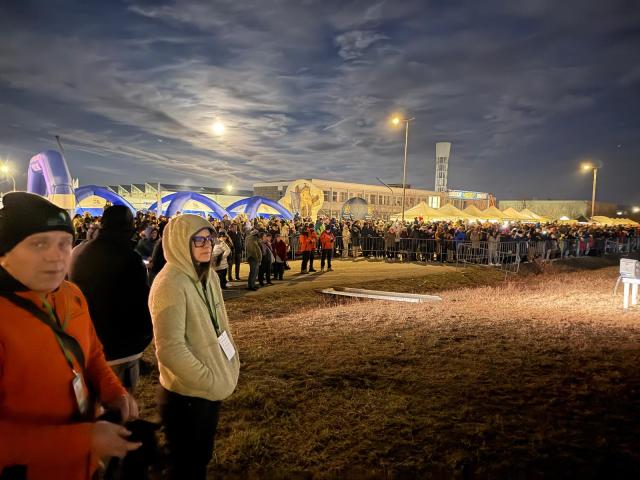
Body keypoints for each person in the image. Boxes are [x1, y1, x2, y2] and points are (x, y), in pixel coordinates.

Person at [0, 192, 141, 479]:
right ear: (5, 252)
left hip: (84, 465)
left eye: (64, 243)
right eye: (39, 243)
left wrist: (113, 390)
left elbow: (92, 354)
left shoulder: (71, 294)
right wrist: (83, 440)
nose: (56, 256)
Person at [149, 214, 239, 480]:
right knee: (185, 467)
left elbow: (221, 326)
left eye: (210, 239)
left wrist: (230, 363)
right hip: (186, 395)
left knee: (202, 457)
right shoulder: (169, 284)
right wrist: (209, 380)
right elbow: (170, 350)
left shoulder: (208, 277)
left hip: (210, 390)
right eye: (198, 240)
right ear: (179, 242)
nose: (207, 245)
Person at [69, 205, 153, 393]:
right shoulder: (130, 258)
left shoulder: (78, 251)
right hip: (120, 349)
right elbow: (141, 303)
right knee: (119, 400)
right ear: (129, 228)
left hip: (84, 343)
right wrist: (143, 338)